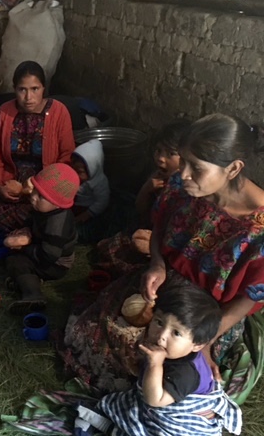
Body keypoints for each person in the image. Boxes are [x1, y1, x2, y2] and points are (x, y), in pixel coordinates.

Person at [62, 113, 264, 400]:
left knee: (156, 358)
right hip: (167, 284)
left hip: (207, 314)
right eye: (183, 161)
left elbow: (248, 298)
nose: (183, 174)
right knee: (106, 329)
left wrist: (206, 339)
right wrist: (157, 264)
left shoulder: (258, 228)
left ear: (233, 168)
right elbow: (159, 226)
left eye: (197, 167)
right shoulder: (183, 186)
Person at [93, 277, 242, 435]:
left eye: (176, 333)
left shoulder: (185, 373)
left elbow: (154, 400)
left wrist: (154, 365)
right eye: (159, 322)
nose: (162, 336)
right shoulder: (173, 350)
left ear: (197, 345)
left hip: (180, 421)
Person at [0, 60, 75, 231]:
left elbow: (66, 155)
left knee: (47, 210)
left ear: (44, 88)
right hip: (11, 180)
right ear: (14, 89)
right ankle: (32, 230)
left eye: (35, 89)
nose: (28, 97)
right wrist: (0, 185)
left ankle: (32, 229)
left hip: (45, 185)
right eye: (22, 90)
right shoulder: (4, 112)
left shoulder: (59, 112)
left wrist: (39, 186)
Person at [94, 120, 191, 278]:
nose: (160, 158)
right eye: (158, 151)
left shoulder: (187, 189)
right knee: (107, 248)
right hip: (147, 228)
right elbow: (140, 207)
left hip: (165, 243)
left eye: (170, 154)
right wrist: (147, 188)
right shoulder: (157, 176)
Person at [3, 163, 79, 314]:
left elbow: (49, 255)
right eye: (35, 191)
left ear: (57, 204)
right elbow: (32, 220)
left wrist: (25, 247)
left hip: (55, 264)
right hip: (43, 249)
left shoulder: (57, 224)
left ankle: (33, 295)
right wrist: (25, 230)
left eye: (41, 196)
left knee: (17, 262)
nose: (33, 197)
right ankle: (25, 281)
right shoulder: (44, 209)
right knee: (14, 256)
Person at [70, 138, 110, 242]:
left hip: (88, 210)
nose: (75, 174)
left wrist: (87, 214)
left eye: (80, 171)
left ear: (92, 168)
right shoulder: (77, 178)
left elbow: (102, 202)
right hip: (75, 206)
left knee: (85, 229)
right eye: (73, 169)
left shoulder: (99, 182)